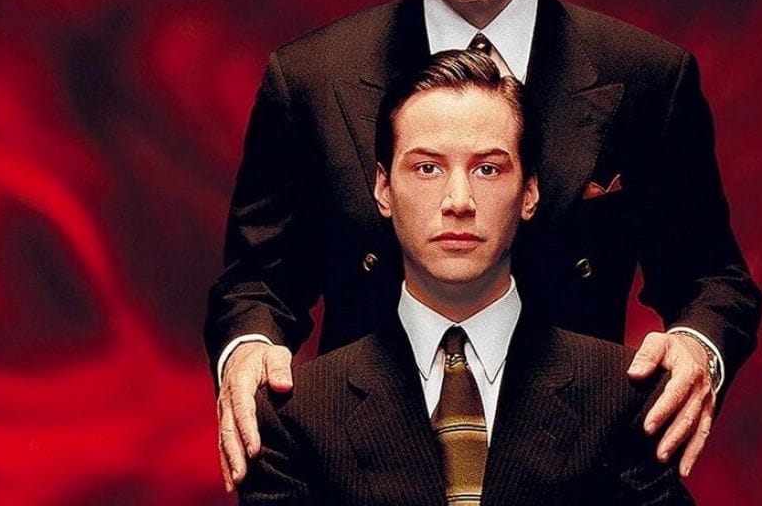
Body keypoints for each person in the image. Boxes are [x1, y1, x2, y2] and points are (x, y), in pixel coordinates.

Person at [207, 0, 762, 492]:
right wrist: (248, 348)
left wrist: (697, 346)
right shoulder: (312, 78)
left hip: (578, 470)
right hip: (365, 468)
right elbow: (257, 280)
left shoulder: (646, 77)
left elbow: (713, 279)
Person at [240, 50, 693, 504]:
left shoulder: (626, 398)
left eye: (487, 169)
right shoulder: (297, 414)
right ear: (383, 189)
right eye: (427, 168)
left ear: (529, 192)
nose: (459, 201)